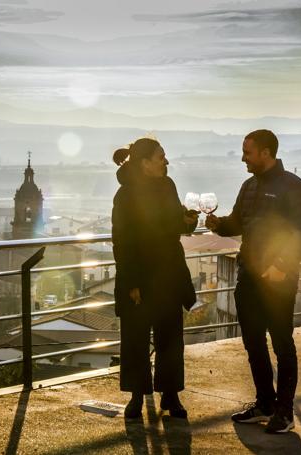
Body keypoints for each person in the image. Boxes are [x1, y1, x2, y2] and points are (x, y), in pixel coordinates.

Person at [205, 129, 301, 434]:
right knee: (253, 343)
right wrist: (218, 225)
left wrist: (281, 265)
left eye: (247, 152)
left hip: (279, 281)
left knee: (282, 343)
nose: (243, 158)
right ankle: (265, 403)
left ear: (266, 153)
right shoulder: (249, 186)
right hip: (249, 278)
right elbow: (237, 223)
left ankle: (285, 411)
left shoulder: (293, 186)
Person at [111, 137, 199, 419]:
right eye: (162, 157)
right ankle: (137, 396)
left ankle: (170, 396)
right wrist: (131, 282)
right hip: (139, 276)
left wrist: (188, 221)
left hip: (169, 273)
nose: (167, 161)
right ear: (145, 162)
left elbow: (174, 223)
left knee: (171, 338)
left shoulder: (167, 185)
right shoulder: (125, 195)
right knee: (136, 338)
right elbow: (122, 241)